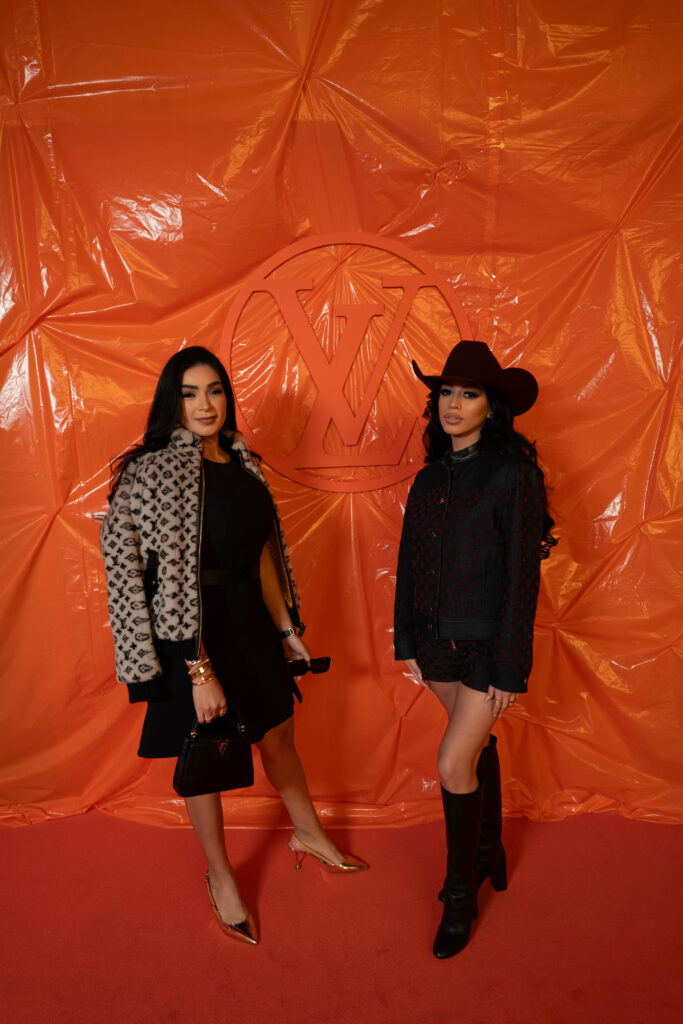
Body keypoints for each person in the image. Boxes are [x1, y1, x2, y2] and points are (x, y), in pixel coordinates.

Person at [100, 345, 367, 948]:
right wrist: (197, 671)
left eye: (214, 391)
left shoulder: (246, 466)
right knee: (203, 752)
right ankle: (220, 876)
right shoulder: (152, 471)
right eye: (190, 393)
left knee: (279, 733)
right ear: (172, 401)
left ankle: (308, 832)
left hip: (247, 619)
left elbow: (263, 557)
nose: (205, 405)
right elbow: (135, 572)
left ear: (228, 396)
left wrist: (286, 629)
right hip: (189, 635)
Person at [394, 340, 556, 960]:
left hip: (491, 649)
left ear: (492, 407)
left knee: (451, 765)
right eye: (446, 393)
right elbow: (409, 563)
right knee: (474, 750)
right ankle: (489, 849)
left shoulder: (515, 477)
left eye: (468, 394)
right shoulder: (430, 478)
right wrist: (405, 637)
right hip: (435, 647)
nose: (453, 404)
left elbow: (522, 578)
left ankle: (459, 895)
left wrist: (513, 669)